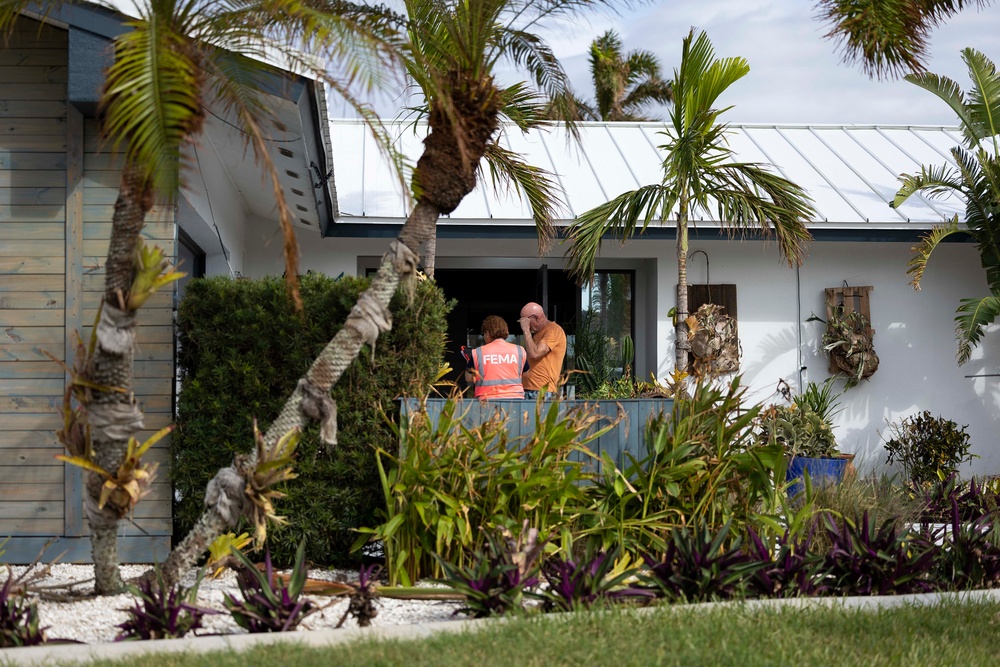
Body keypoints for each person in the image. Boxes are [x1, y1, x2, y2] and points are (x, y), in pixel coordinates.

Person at [464, 315, 529, 400]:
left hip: (486, 400)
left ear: (487, 333)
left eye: (483, 334)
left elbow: (468, 378)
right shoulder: (519, 350)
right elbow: (526, 375)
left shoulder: (478, 352)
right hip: (515, 399)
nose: (483, 337)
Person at [518, 302, 567, 399]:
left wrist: (526, 331)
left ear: (536, 318)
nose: (523, 324)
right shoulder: (537, 334)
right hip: (528, 389)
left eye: (525, 321)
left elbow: (534, 353)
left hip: (542, 391)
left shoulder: (553, 330)